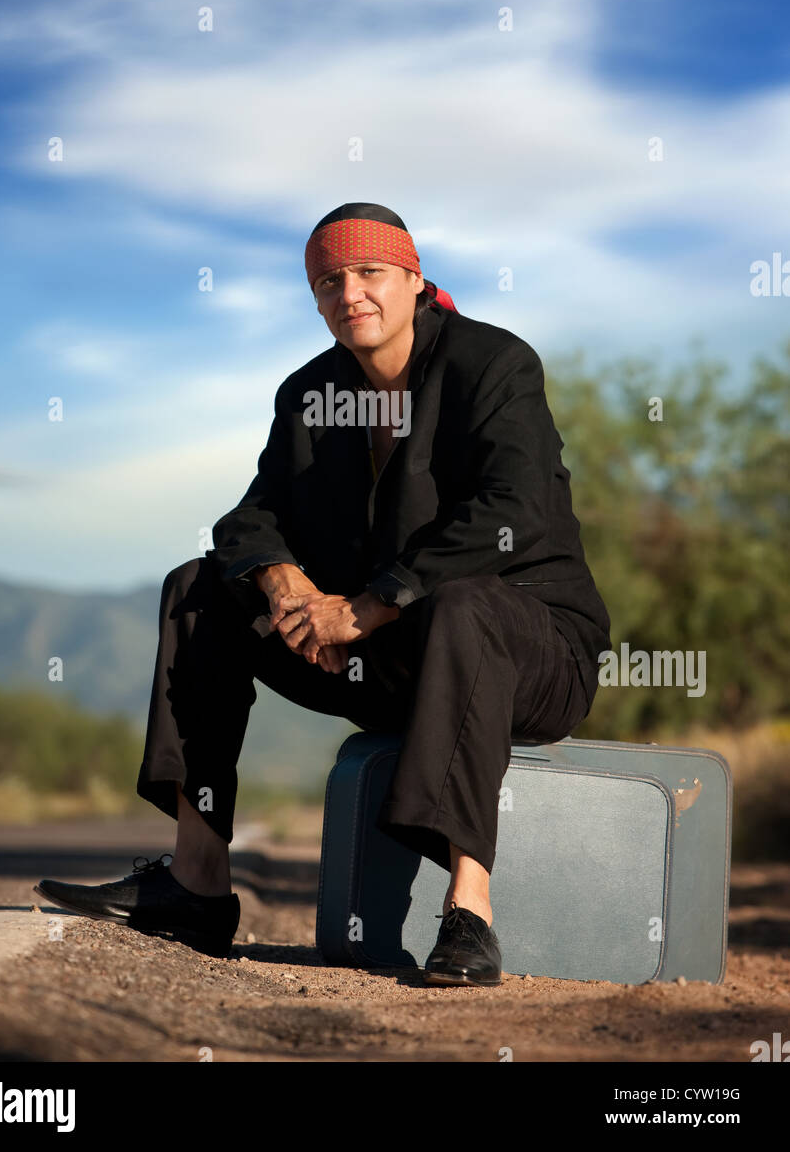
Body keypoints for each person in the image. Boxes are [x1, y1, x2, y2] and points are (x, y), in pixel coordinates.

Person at [36, 202, 611, 987]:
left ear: (413, 279)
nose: (352, 295)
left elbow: (512, 512)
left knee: (462, 604)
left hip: (532, 654)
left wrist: (372, 602)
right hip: (384, 659)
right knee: (200, 588)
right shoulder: (310, 393)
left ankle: (469, 913)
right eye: (329, 281)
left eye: (371, 273)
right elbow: (248, 517)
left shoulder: (496, 366)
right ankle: (197, 881)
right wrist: (284, 579)